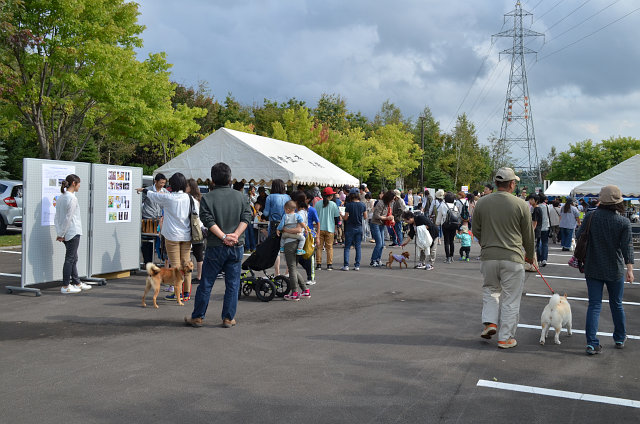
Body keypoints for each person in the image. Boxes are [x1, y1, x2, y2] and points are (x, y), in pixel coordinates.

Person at [473, 167, 535, 349]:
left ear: (496, 183)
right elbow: (528, 235)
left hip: (488, 256)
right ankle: (505, 337)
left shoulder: (482, 203)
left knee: (491, 290)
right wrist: (530, 256)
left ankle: (490, 323)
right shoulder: (521, 204)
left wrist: (485, 242)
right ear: (512, 184)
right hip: (513, 257)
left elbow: (476, 229)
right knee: (510, 298)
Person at [184, 162, 252, 328]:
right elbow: (247, 218)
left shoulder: (207, 197)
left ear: (212, 180)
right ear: (230, 178)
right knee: (233, 283)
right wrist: (235, 235)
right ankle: (228, 318)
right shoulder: (241, 197)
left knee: (206, 282)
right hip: (236, 246)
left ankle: (198, 317)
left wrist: (223, 236)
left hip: (216, 246)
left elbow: (207, 220)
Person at [576, 185, 634, 355]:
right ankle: (619, 337)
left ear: (602, 200)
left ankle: (592, 343)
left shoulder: (590, 216)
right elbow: (627, 248)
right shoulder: (623, 222)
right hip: (614, 268)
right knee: (616, 304)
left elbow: (579, 235)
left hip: (592, 266)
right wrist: (629, 269)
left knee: (594, 305)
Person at [136, 173, 193, 301]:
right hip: (187, 236)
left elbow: (155, 196)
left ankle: (177, 293)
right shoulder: (190, 199)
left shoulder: (169, 197)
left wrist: (144, 190)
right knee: (187, 264)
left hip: (172, 236)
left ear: (172, 185)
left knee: (176, 267)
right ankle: (186, 294)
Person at [55, 174, 91, 294]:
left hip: (66, 232)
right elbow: (68, 218)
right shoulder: (72, 198)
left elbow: (57, 217)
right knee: (70, 259)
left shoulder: (61, 197)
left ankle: (77, 282)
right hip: (72, 231)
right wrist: (62, 233)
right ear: (74, 183)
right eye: (79, 184)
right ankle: (65, 286)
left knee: (73, 258)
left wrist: (60, 232)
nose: (80, 186)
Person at [263, 179, 290, 275]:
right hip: (287, 224)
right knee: (287, 248)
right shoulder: (288, 197)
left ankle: (277, 272)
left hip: (274, 224)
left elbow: (266, 212)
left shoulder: (270, 197)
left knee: (276, 249)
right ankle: (287, 272)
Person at [140, 173, 168, 265]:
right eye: (161, 183)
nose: (162, 185)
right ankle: (147, 262)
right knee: (147, 242)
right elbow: (140, 202)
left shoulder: (165, 191)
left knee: (160, 241)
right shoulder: (148, 190)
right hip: (148, 218)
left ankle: (162, 261)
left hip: (160, 219)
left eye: (164, 183)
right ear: (155, 181)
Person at [314, 187, 341, 271]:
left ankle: (318, 265)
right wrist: (337, 227)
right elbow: (337, 218)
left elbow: (315, 216)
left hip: (319, 229)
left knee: (319, 247)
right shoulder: (333, 204)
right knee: (329, 247)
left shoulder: (318, 204)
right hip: (330, 228)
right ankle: (329, 265)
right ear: (330, 196)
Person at [369, 190, 396, 267]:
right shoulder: (380, 203)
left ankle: (378, 259)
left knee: (382, 244)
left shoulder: (388, 204)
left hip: (382, 224)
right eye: (392, 198)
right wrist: (387, 218)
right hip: (376, 224)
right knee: (379, 243)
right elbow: (376, 216)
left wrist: (390, 218)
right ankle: (373, 260)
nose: (393, 200)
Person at [342, 191, 367, 271]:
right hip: (359, 227)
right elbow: (365, 217)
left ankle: (346, 265)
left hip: (350, 227)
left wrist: (341, 215)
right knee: (358, 247)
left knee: (347, 247)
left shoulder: (348, 205)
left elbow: (345, 218)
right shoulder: (363, 205)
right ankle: (357, 265)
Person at [186, 178, 205, 283]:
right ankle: (199, 275)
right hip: (199, 227)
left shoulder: (192, 199)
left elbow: (195, 215)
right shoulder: (198, 198)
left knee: (198, 254)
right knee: (198, 253)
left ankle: (199, 276)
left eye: (187, 186)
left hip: (195, 228)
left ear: (191, 187)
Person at [437, 192, 460, 264]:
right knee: (451, 241)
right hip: (454, 225)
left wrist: (437, 223)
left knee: (446, 241)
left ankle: (448, 258)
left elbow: (439, 216)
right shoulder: (455, 206)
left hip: (445, 225)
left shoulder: (443, 205)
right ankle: (452, 256)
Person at [527, 194, 542, 266]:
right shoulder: (538, 208)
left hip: (536, 230)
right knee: (537, 245)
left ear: (536, 201)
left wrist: (531, 231)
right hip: (538, 230)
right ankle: (538, 260)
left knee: (535, 246)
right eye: (530, 199)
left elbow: (535, 222)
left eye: (532, 200)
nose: (530, 201)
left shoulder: (536, 209)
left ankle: (536, 261)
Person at [537, 194, 551, 267]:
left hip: (538, 228)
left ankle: (538, 259)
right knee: (545, 243)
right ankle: (544, 259)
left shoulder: (536, 207)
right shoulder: (547, 207)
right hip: (546, 227)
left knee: (538, 244)